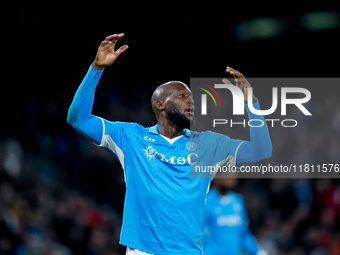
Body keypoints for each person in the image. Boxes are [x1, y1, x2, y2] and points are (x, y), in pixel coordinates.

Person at [67, 33, 272, 255]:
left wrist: (252, 104)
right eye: (183, 95)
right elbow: (79, 119)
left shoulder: (208, 144)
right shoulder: (130, 137)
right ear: (160, 103)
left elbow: (261, 150)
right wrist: (96, 69)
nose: (191, 100)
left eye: (192, 97)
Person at [205, 175, 267, 255]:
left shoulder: (237, 200)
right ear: (216, 177)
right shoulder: (207, 201)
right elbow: (200, 236)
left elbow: (243, 233)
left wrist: (258, 251)